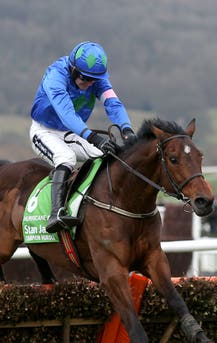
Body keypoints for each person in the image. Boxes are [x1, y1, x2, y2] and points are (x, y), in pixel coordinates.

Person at [30, 41, 137, 233]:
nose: (88, 83)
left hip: (71, 132)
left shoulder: (97, 80)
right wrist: (92, 137)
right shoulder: (55, 76)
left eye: (92, 80)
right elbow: (66, 113)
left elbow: (113, 104)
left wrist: (126, 130)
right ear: (72, 67)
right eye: (84, 78)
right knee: (66, 158)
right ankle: (56, 213)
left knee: (106, 156)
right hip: (43, 131)